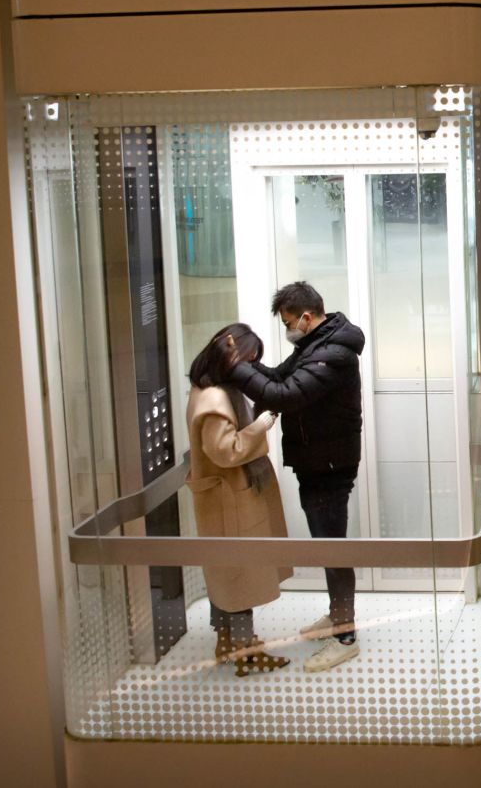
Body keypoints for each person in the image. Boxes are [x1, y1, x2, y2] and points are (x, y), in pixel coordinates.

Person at [228, 281, 366, 673]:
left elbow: (286, 395)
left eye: (289, 322)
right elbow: (274, 377)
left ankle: (345, 637)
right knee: (326, 545)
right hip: (317, 461)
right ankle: (339, 616)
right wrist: (247, 365)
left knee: (332, 548)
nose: (287, 329)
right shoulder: (313, 346)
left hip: (329, 465)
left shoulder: (333, 354)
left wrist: (236, 370)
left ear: (307, 317)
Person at [184, 323, 291, 677]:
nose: (247, 369)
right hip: (230, 497)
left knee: (227, 573)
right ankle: (247, 652)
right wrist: (261, 425)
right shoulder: (215, 400)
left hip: (222, 497)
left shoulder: (203, 389)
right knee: (239, 576)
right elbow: (226, 451)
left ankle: (227, 641)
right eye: (247, 360)